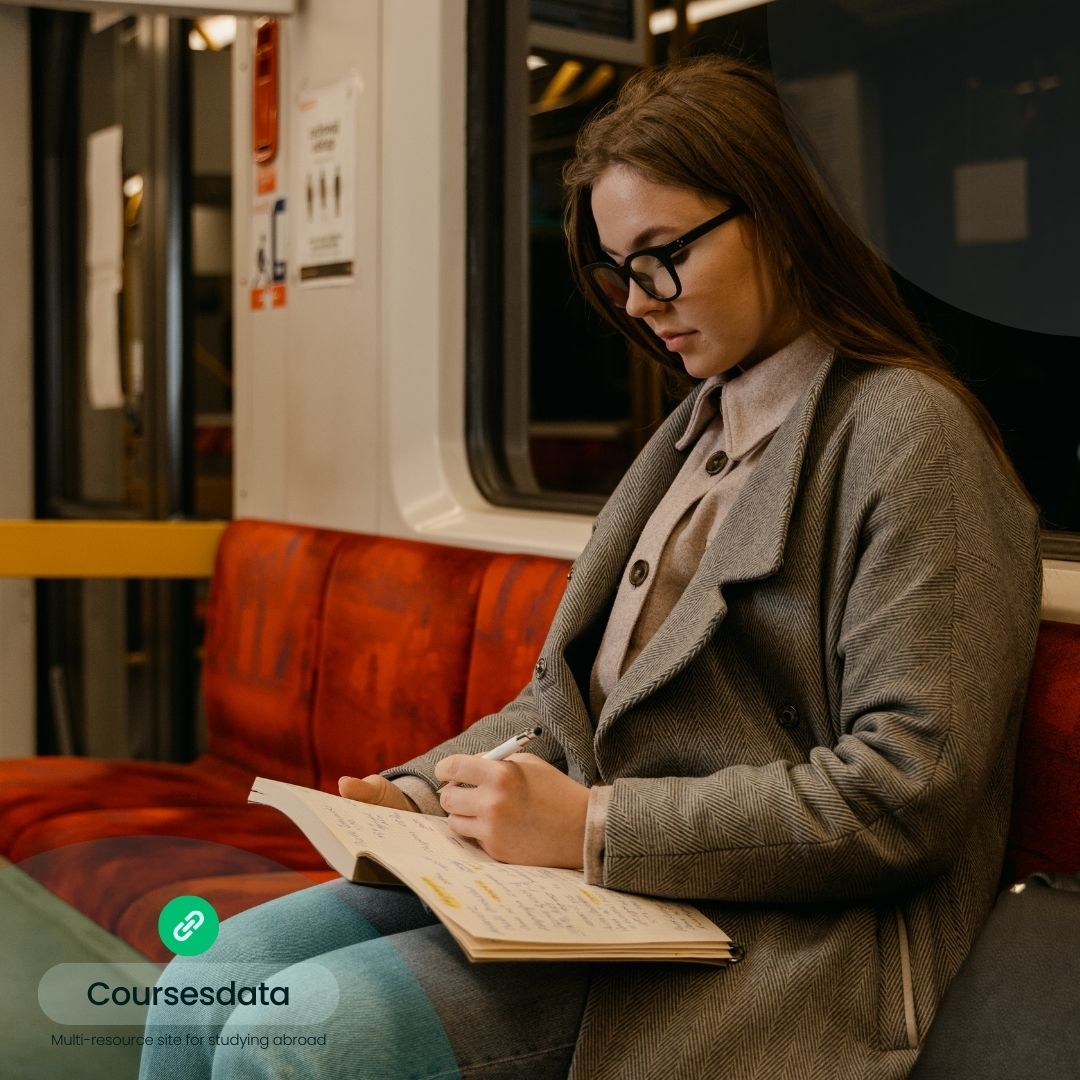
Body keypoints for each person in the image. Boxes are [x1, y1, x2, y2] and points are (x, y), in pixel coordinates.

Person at [140, 55, 1042, 1080]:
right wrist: (424, 796)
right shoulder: (695, 432)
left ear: (782, 217)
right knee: (206, 971)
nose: (640, 302)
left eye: (664, 256)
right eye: (621, 270)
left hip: (777, 938)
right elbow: (562, 708)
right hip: (605, 899)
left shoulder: (908, 434)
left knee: (287, 1033)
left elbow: (903, 794)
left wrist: (595, 826)